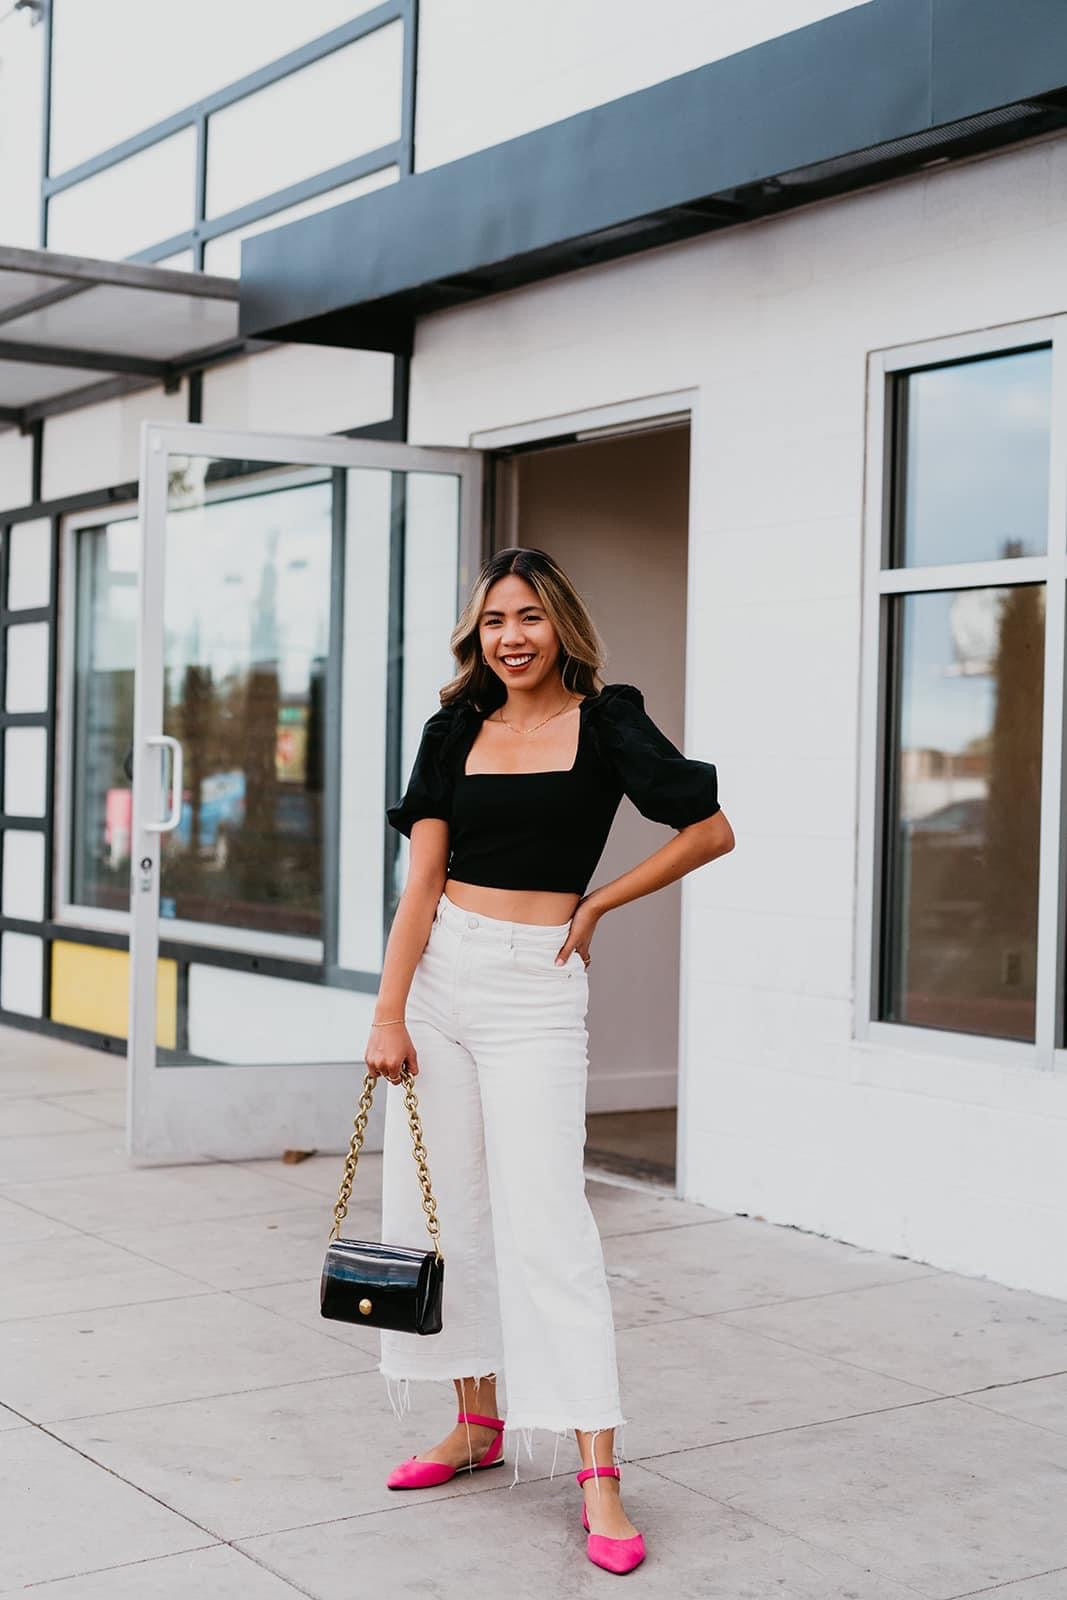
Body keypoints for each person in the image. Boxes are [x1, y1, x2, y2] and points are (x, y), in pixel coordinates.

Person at [366, 545, 734, 1574]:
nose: (510, 637)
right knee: (437, 1214)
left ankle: (596, 1471)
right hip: (438, 978)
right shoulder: (453, 729)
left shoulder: (608, 720)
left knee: (547, 1224)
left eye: (527, 616)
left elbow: (708, 830)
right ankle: (474, 1423)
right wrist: (388, 1010)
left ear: (559, 623)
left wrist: (601, 901)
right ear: (475, 634)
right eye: (493, 620)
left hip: (535, 983)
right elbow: (421, 884)